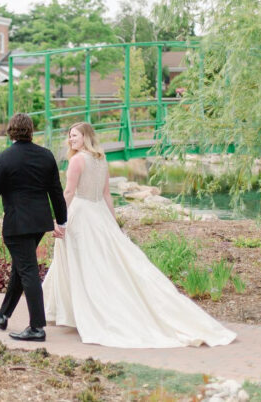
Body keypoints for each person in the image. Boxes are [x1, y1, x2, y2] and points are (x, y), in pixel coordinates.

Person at [42, 122, 237, 348]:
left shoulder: (77, 160)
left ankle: (86, 310)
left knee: (85, 262)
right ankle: (68, 310)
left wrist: (59, 219)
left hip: (82, 214)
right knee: (96, 261)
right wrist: (112, 222)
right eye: (69, 135)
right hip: (98, 214)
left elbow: (69, 192)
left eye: (74, 135)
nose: (70, 139)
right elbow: (106, 195)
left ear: (85, 137)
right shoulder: (101, 159)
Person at [0, 113, 67, 342]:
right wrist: (61, 220)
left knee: (28, 272)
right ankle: (3, 314)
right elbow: (56, 192)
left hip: (17, 225)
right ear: (31, 131)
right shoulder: (46, 156)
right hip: (38, 224)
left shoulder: (3, 159)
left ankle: (37, 328)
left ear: (10, 130)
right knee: (21, 269)